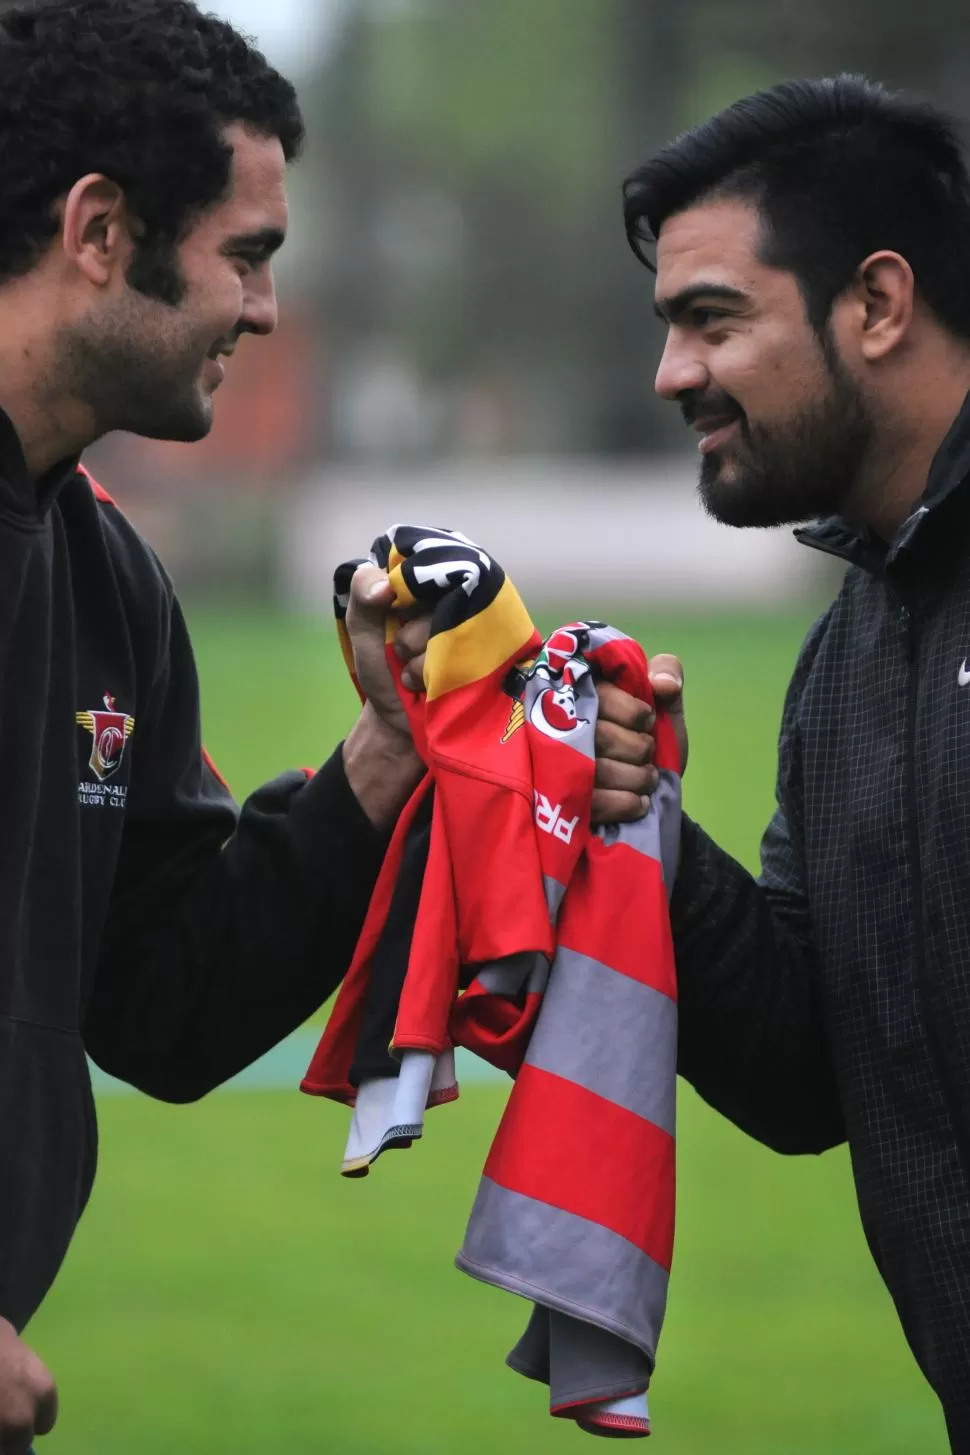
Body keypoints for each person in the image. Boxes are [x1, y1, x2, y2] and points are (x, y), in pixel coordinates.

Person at [0, 2, 656, 1449]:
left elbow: (166, 1007)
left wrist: (388, 753)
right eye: (246, 256)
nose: (265, 311)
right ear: (99, 232)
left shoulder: (107, 579)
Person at [623, 74, 970, 1450]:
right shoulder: (849, 656)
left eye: (713, 320)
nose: (673, 374)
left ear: (876, 304)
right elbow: (805, 1078)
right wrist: (642, 824)